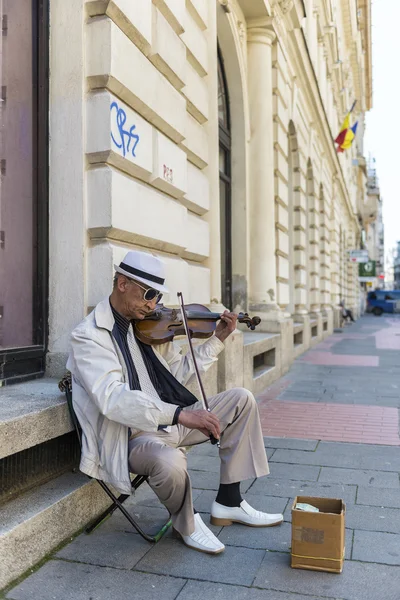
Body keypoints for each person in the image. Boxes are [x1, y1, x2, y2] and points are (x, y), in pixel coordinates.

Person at [67, 250, 283, 555]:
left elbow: (176, 376)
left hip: (172, 421)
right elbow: (112, 399)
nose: (153, 304)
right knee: (170, 461)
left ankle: (230, 502)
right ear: (123, 284)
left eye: (157, 296)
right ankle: (188, 523)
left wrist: (216, 341)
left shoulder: (149, 328)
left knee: (242, 400)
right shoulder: (89, 336)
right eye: (148, 294)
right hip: (132, 437)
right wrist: (181, 415)